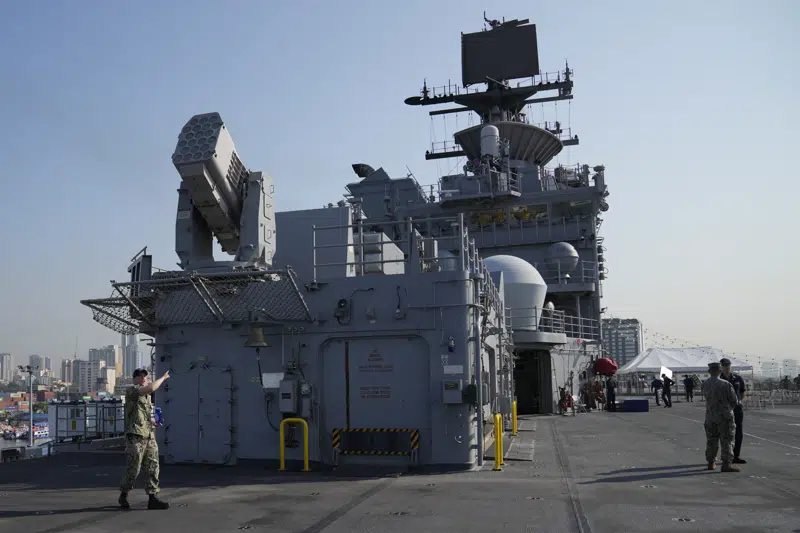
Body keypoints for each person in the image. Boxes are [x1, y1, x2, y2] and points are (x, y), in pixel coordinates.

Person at [119, 368, 171, 510]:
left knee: (153, 466)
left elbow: (142, 415)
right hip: (135, 436)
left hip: (148, 435)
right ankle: (124, 494)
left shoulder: (147, 397)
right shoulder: (132, 391)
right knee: (134, 468)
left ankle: (152, 497)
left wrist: (153, 422)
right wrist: (163, 377)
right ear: (134, 379)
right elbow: (152, 387)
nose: (143, 378)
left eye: (145, 376)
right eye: (140, 376)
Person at [701, 362, 740, 472]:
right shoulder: (726, 384)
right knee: (727, 439)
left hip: (710, 415)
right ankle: (726, 463)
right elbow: (734, 401)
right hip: (725, 415)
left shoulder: (705, 384)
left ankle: (711, 462)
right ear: (720, 371)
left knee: (711, 440)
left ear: (709, 371)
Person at [719, 357, 747, 464]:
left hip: (736, 409)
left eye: (728, 365)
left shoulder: (737, 378)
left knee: (738, 432)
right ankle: (725, 455)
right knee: (724, 432)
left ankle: (736, 455)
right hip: (724, 410)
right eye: (724, 365)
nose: (726, 367)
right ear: (721, 367)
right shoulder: (719, 379)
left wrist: (740, 401)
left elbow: (742, 391)